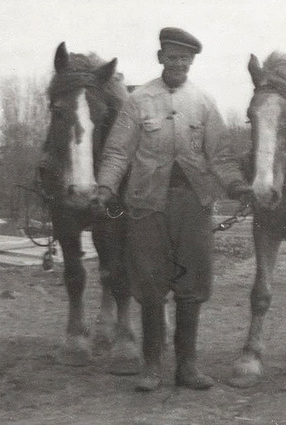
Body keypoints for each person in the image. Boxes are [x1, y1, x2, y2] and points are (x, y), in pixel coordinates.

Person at [92, 27, 251, 391]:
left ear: (192, 63)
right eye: (172, 57)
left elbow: (222, 157)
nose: (178, 64)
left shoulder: (204, 103)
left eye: (185, 59)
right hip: (148, 205)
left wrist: (237, 185)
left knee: (192, 286)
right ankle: (150, 367)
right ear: (160, 57)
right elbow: (117, 152)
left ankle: (188, 367)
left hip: (193, 206)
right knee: (149, 284)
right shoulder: (139, 101)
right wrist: (105, 187)